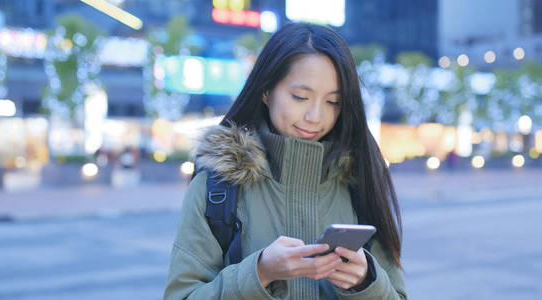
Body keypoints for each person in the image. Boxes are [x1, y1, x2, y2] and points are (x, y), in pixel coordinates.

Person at [164, 23, 407, 299]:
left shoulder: (360, 182)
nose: (316, 116)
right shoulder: (218, 187)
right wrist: (260, 273)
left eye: (333, 102)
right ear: (266, 91)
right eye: (300, 97)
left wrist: (367, 283)